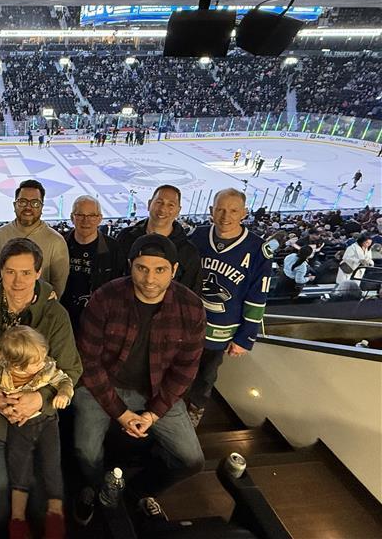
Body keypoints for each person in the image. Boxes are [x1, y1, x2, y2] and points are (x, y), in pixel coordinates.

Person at [73, 233, 206, 525]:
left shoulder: (192, 307)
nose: (149, 279)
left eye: (159, 270)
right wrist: (120, 413)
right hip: (103, 386)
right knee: (85, 448)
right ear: (130, 265)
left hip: (156, 392)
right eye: (142, 268)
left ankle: (139, 490)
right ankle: (97, 487)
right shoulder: (105, 298)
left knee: (192, 460)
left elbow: (185, 369)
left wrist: (154, 413)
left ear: (174, 269)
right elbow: (88, 362)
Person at [0, 238, 82, 536]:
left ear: (39, 273)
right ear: (0, 271)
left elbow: (72, 370)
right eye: (10, 271)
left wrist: (40, 400)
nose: (18, 281)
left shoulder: (55, 315)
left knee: (40, 502)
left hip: (37, 420)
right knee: (0, 499)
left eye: (26, 273)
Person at [0, 325, 73, 539]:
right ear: (15, 367)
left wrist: (63, 393)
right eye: (36, 362)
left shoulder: (45, 367)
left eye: (42, 357)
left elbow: (64, 380)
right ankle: (17, 520)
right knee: (19, 469)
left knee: (51, 466)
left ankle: (55, 513)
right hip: (18, 425)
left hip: (46, 422)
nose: (43, 362)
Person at [187, 189, 273, 426]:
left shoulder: (258, 250)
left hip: (221, 331)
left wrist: (245, 338)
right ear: (211, 211)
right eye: (221, 209)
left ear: (244, 213)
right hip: (187, 324)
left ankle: (195, 409)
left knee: (206, 374)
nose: (226, 216)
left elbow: (258, 297)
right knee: (177, 367)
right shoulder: (197, 237)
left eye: (233, 210)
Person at [115, 185, 202, 293]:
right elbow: (113, 277)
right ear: (149, 204)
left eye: (170, 205)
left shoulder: (188, 252)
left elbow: (189, 294)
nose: (163, 209)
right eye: (159, 202)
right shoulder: (126, 237)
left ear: (178, 211)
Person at [0, 179, 70, 298]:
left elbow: (58, 287)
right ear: (14, 205)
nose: (28, 207)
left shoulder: (56, 241)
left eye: (35, 203)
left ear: (42, 207)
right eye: (22, 202)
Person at [61, 195, 122, 331]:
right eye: (80, 215)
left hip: (99, 319)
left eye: (92, 215)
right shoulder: (60, 244)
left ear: (99, 218)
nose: (86, 221)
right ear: (72, 218)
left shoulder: (113, 249)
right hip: (64, 318)